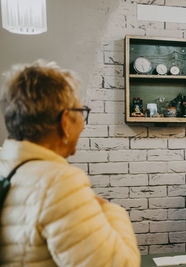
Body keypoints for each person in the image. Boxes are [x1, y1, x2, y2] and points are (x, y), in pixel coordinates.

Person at [0, 61, 141, 266]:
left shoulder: (7, 169)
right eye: (81, 111)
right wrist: (110, 210)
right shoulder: (58, 182)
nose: (83, 123)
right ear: (65, 122)